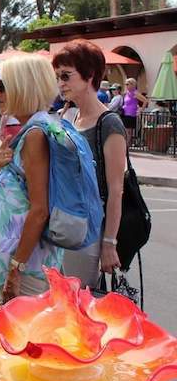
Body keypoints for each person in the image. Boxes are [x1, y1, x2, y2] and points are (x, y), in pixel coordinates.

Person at [0, 54, 64, 307]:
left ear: (22, 88)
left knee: (10, 329)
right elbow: (16, 195)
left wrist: (16, 268)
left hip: (28, 268)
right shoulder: (31, 130)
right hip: (23, 263)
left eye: (2, 86)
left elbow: (39, 210)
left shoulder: (35, 135)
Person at [52, 39, 127, 288]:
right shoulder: (70, 117)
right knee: (63, 299)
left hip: (89, 231)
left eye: (66, 76)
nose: (61, 83)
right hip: (65, 225)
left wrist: (109, 243)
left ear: (89, 75)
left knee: (80, 300)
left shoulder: (109, 123)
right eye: (58, 77)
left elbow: (116, 190)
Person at [121, 77, 148, 145]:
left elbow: (145, 101)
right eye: (125, 84)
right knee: (125, 130)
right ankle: (126, 145)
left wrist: (141, 110)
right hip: (125, 114)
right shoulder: (127, 93)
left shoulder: (135, 93)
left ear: (132, 84)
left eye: (127, 84)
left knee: (128, 131)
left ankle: (127, 145)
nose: (126, 86)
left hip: (131, 114)